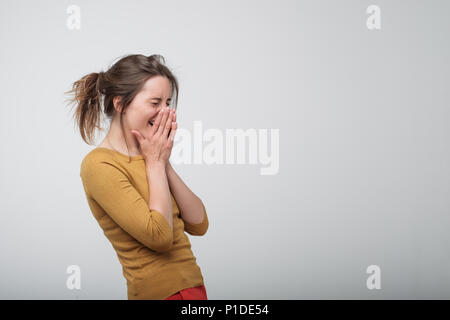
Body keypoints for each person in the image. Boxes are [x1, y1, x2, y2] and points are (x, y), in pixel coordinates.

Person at [66, 54, 209, 300]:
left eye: (168, 102)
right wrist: (155, 163)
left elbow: (199, 223)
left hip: (193, 289)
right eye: (155, 103)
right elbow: (160, 237)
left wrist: (162, 162)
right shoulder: (99, 164)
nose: (165, 112)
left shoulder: (152, 157)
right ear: (120, 104)